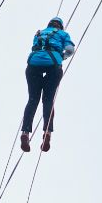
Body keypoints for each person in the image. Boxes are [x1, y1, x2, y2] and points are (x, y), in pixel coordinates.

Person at [20, 16, 74, 151]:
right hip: (53, 64)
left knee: (33, 99)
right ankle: (47, 133)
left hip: (33, 63)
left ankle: (25, 133)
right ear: (60, 26)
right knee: (48, 99)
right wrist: (63, 56)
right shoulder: (63, 34)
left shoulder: (39, 33)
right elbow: (70, 49)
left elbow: (35, 46)